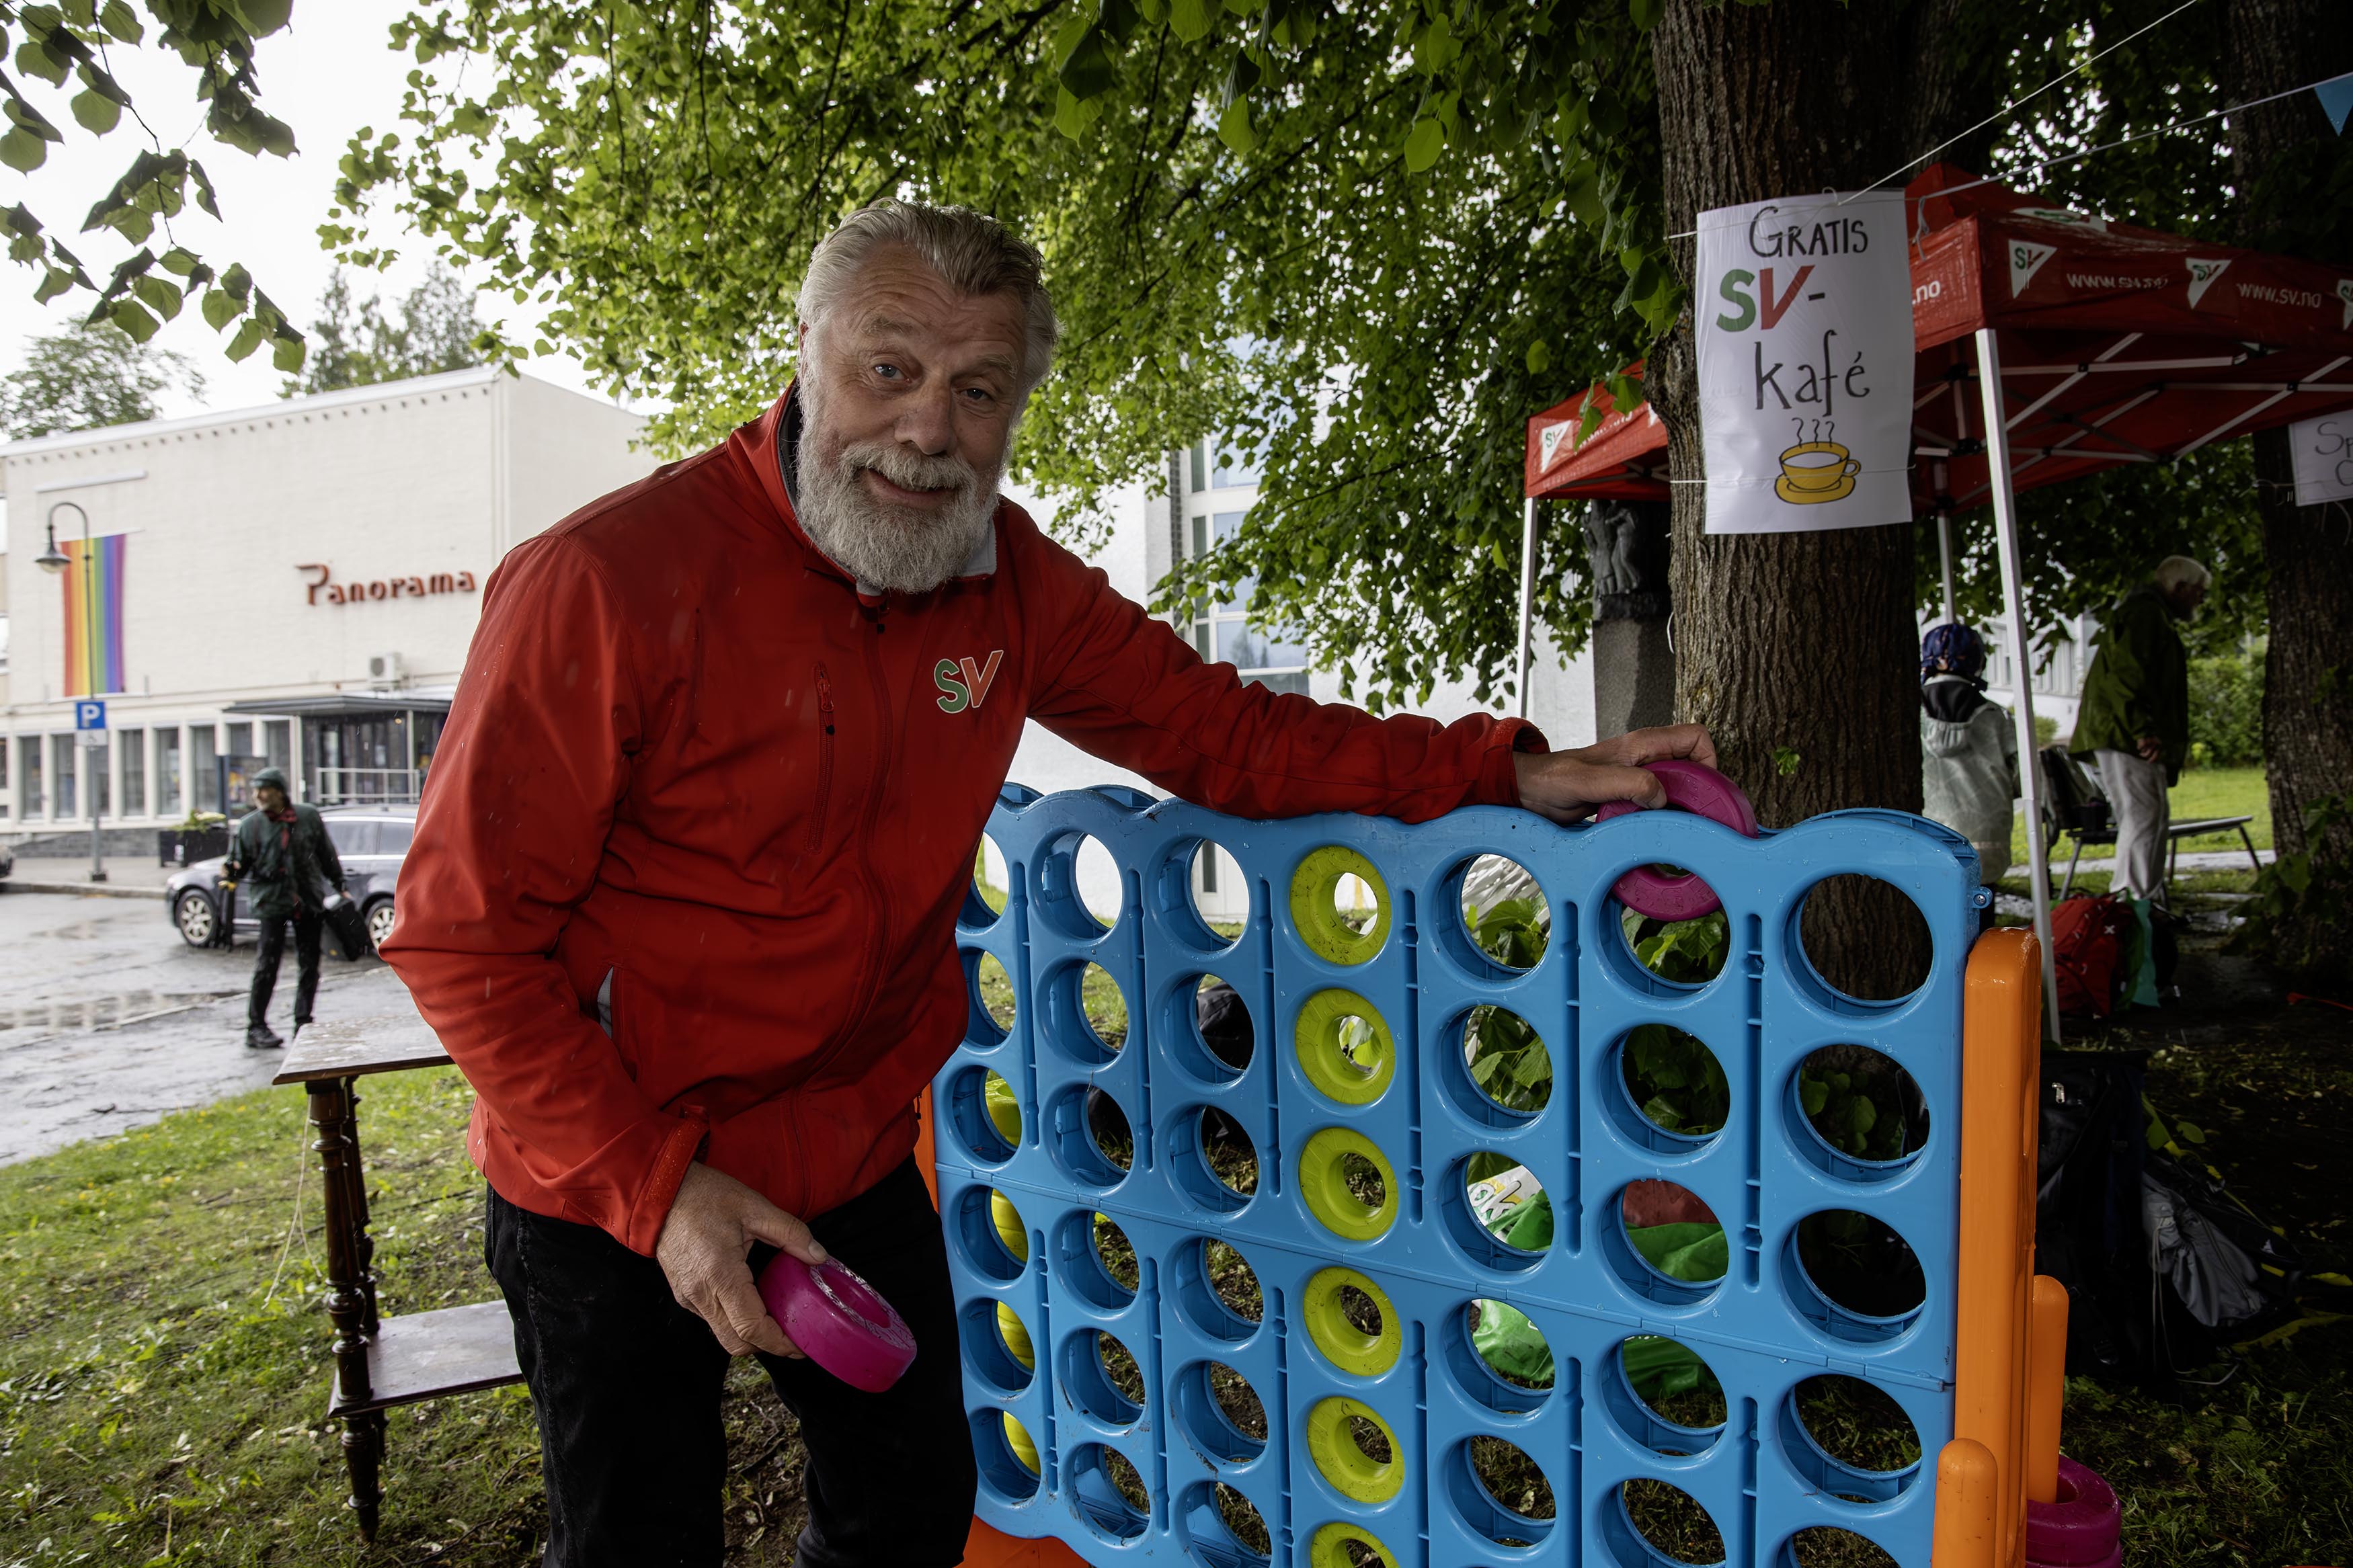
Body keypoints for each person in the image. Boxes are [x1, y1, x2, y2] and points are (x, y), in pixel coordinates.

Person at [378, 199, 1715, 1568]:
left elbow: (1231, 734)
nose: (927, 430)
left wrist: (1507, 768)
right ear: (806, 355)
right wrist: (658, 1191)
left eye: (978, 388)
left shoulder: (1008, 584)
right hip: (606, 1172)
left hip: (843, 1152)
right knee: (631, 1548)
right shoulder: (601, 582)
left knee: (906, 1506)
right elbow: (458, 941)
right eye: (888, 370)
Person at [2071, 556, 2209, 903]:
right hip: (2126, 735)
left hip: (2123, 733)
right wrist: (2142, 729)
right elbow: (2127, 676)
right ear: (2179, 588)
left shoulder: (2148, 613)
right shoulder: (2146, 615)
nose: (2201, 600)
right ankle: (2135, 904)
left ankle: (2138, 902)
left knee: (2147, 817)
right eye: (2199, 592)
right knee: (2145, 817)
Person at [221, 766, 346, 1049]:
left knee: (309, 964)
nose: (257, 795)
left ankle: (303, 1022)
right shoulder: (250, 825)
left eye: (262, 789)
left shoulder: (307, 816)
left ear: (278, 791)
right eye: (255, 790)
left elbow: (326, 854)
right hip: (271, 902)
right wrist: (231, 869)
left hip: (308, 899)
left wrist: (339, 883)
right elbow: (239, 866)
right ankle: (256, 1027)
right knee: (267, 964)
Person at [1917, 622, 2018, 926]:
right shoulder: (1997, 717)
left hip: (1926, 833)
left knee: (1932, 922)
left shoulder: (1905, 711)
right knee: (1980, 921)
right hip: (1986, 838)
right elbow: (2021, 778)